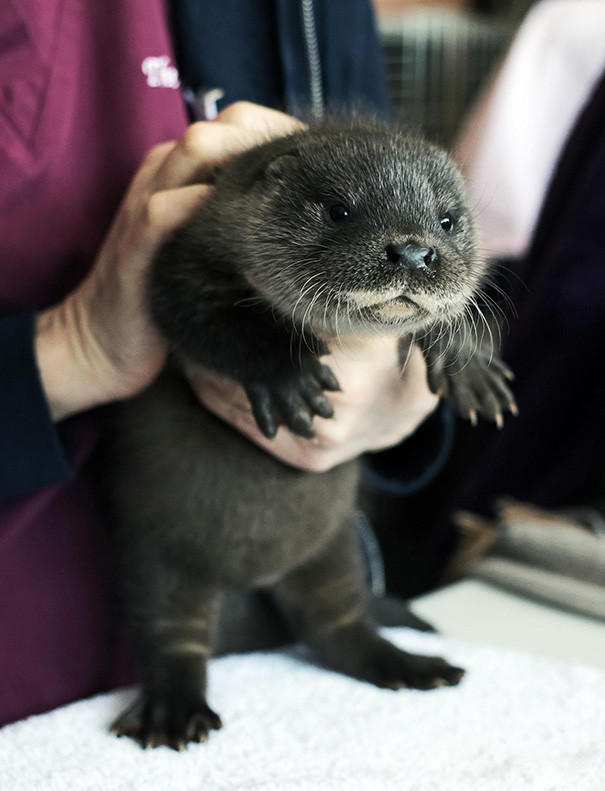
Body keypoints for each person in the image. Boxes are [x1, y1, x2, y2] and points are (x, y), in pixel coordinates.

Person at [0, 0, 449, 726]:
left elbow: (408, 233)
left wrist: (408, 398)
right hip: (38, 624)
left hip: (281, 645)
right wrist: (72, 345)